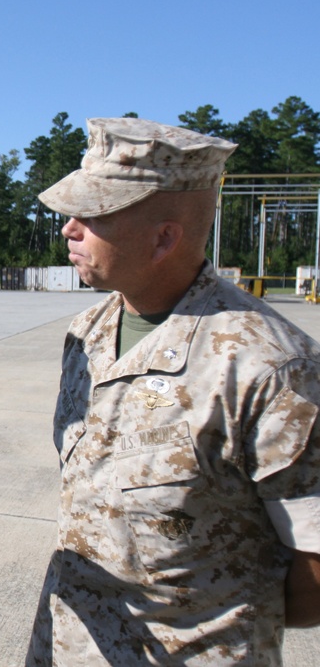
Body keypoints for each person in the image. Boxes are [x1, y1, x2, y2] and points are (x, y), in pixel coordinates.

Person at [25, 117, 320, 665]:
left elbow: (315, 569)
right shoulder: (87, 335)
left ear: (164, 237)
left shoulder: (271, 367)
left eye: (94, 216)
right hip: (68, 646)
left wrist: (208, 620)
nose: (69, 228)